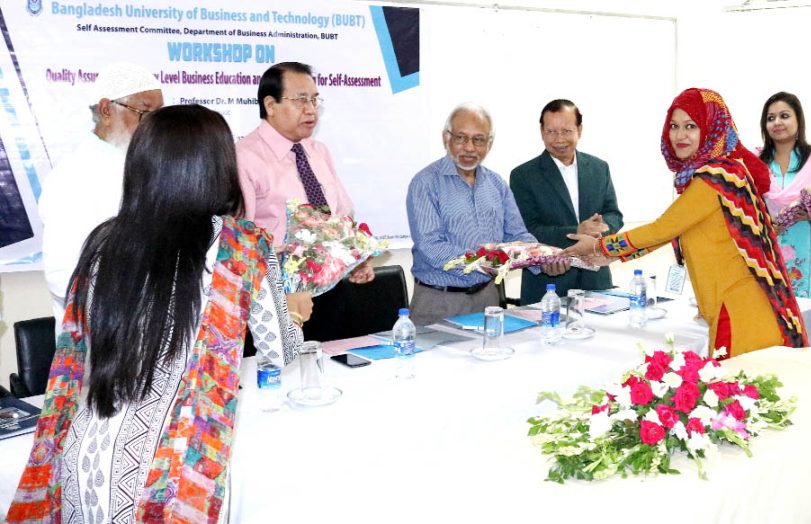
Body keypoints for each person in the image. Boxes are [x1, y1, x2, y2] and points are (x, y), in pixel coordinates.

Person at [7, 105, 305, 523]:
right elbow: (282, 353)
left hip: (79, 464)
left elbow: (80, 354)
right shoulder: (241, 245)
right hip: (171, 479)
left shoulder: (104, 241)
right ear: (217, 166)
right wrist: (292, 311)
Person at [565, 88, 806, 357]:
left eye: (691, 126)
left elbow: (662, 228)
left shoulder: (715, 177)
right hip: (737, 307)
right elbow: (672, 231)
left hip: (741, 314)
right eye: (675, 126)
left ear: (712, 129)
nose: (680, 135)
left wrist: (600, 248)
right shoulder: (719, 173)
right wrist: (609, 257)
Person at [40, 62, 164, 332]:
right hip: (102, 337)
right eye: (144, 112)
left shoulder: (151, 166)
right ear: (107, 110)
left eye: (159, 115)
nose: (154, 125)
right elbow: (63, 276)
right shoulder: (72, 177)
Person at [236, 61, 373, 284]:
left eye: (314, 99)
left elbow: (342, 215)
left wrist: (356, 259)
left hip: (329, 289)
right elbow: (239, 241)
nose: (310, 109)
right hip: (274, 293)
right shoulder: (243, 159)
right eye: (301, 100)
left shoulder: (318, 152)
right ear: (270, 105)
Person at [406, 103, 540, 327]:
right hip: (439, 301)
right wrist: (484, 262)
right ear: (445, 138)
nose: (469, 147)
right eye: (461, 138)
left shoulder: (497, 184)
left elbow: (516, 234)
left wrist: (543, 258)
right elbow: (431, 246)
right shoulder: (425, 183)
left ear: (489, 143)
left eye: (478, 140)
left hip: (488, 298)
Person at [510, 99, 623, 304]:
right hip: (547, 285)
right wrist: (577, 232)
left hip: (596, 282)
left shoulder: (599, 168)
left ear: (579, 129)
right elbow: (526, 230)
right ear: (542, 132)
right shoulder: (523, 175)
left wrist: (597, 232)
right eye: (551, 131)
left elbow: (614, 215)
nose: (559, 139)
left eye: (566, 131)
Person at [758, 92, 811, 299]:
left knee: (808, 323)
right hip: (765, 255)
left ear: (798, 120)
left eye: (784, 116)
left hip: (810, 258)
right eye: (770, 118)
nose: (777, 122)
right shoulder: (756, 162)